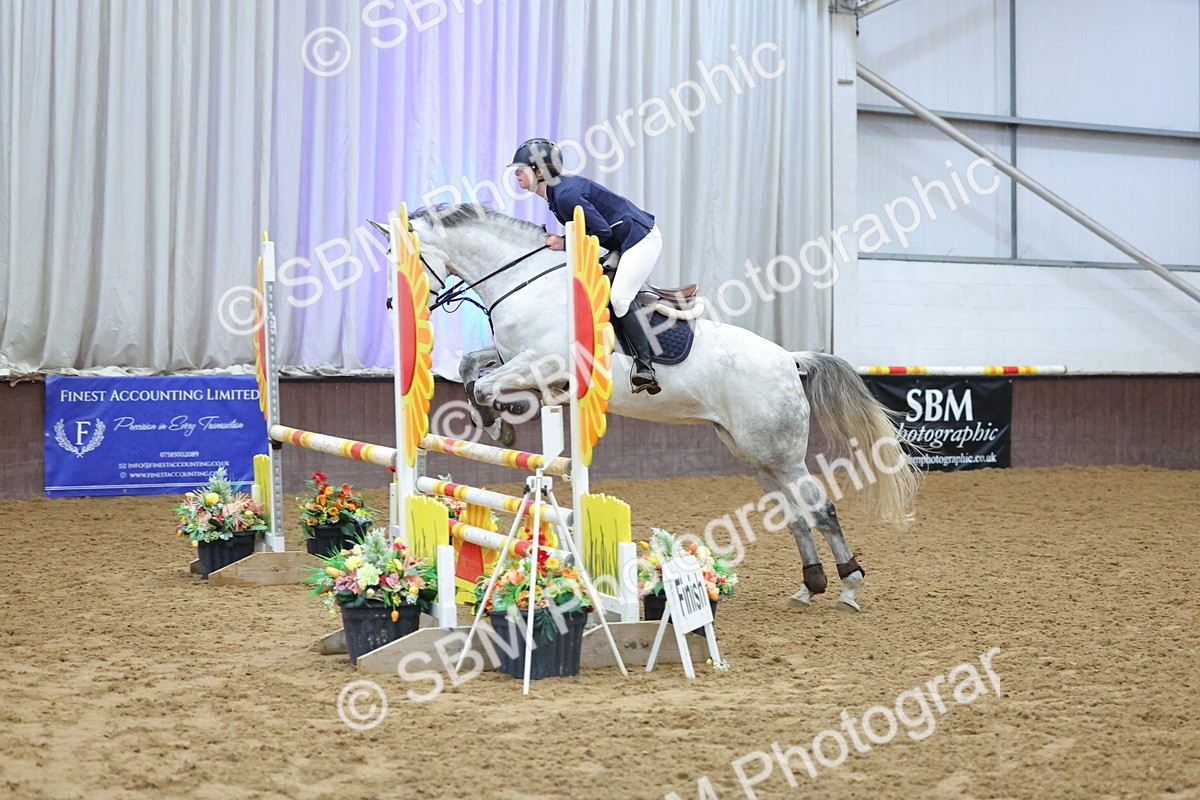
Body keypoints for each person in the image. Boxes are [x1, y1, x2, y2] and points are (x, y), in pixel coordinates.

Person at [508, 138, 662, 395]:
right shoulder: (556, 194)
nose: (515, 173)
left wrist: (563, 242)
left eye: (521, 168)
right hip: (621, 240)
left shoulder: (566, 195)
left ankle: (645, 367)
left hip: (640, 238)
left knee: (620, 297)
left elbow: (599, 230)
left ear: (540, 171)